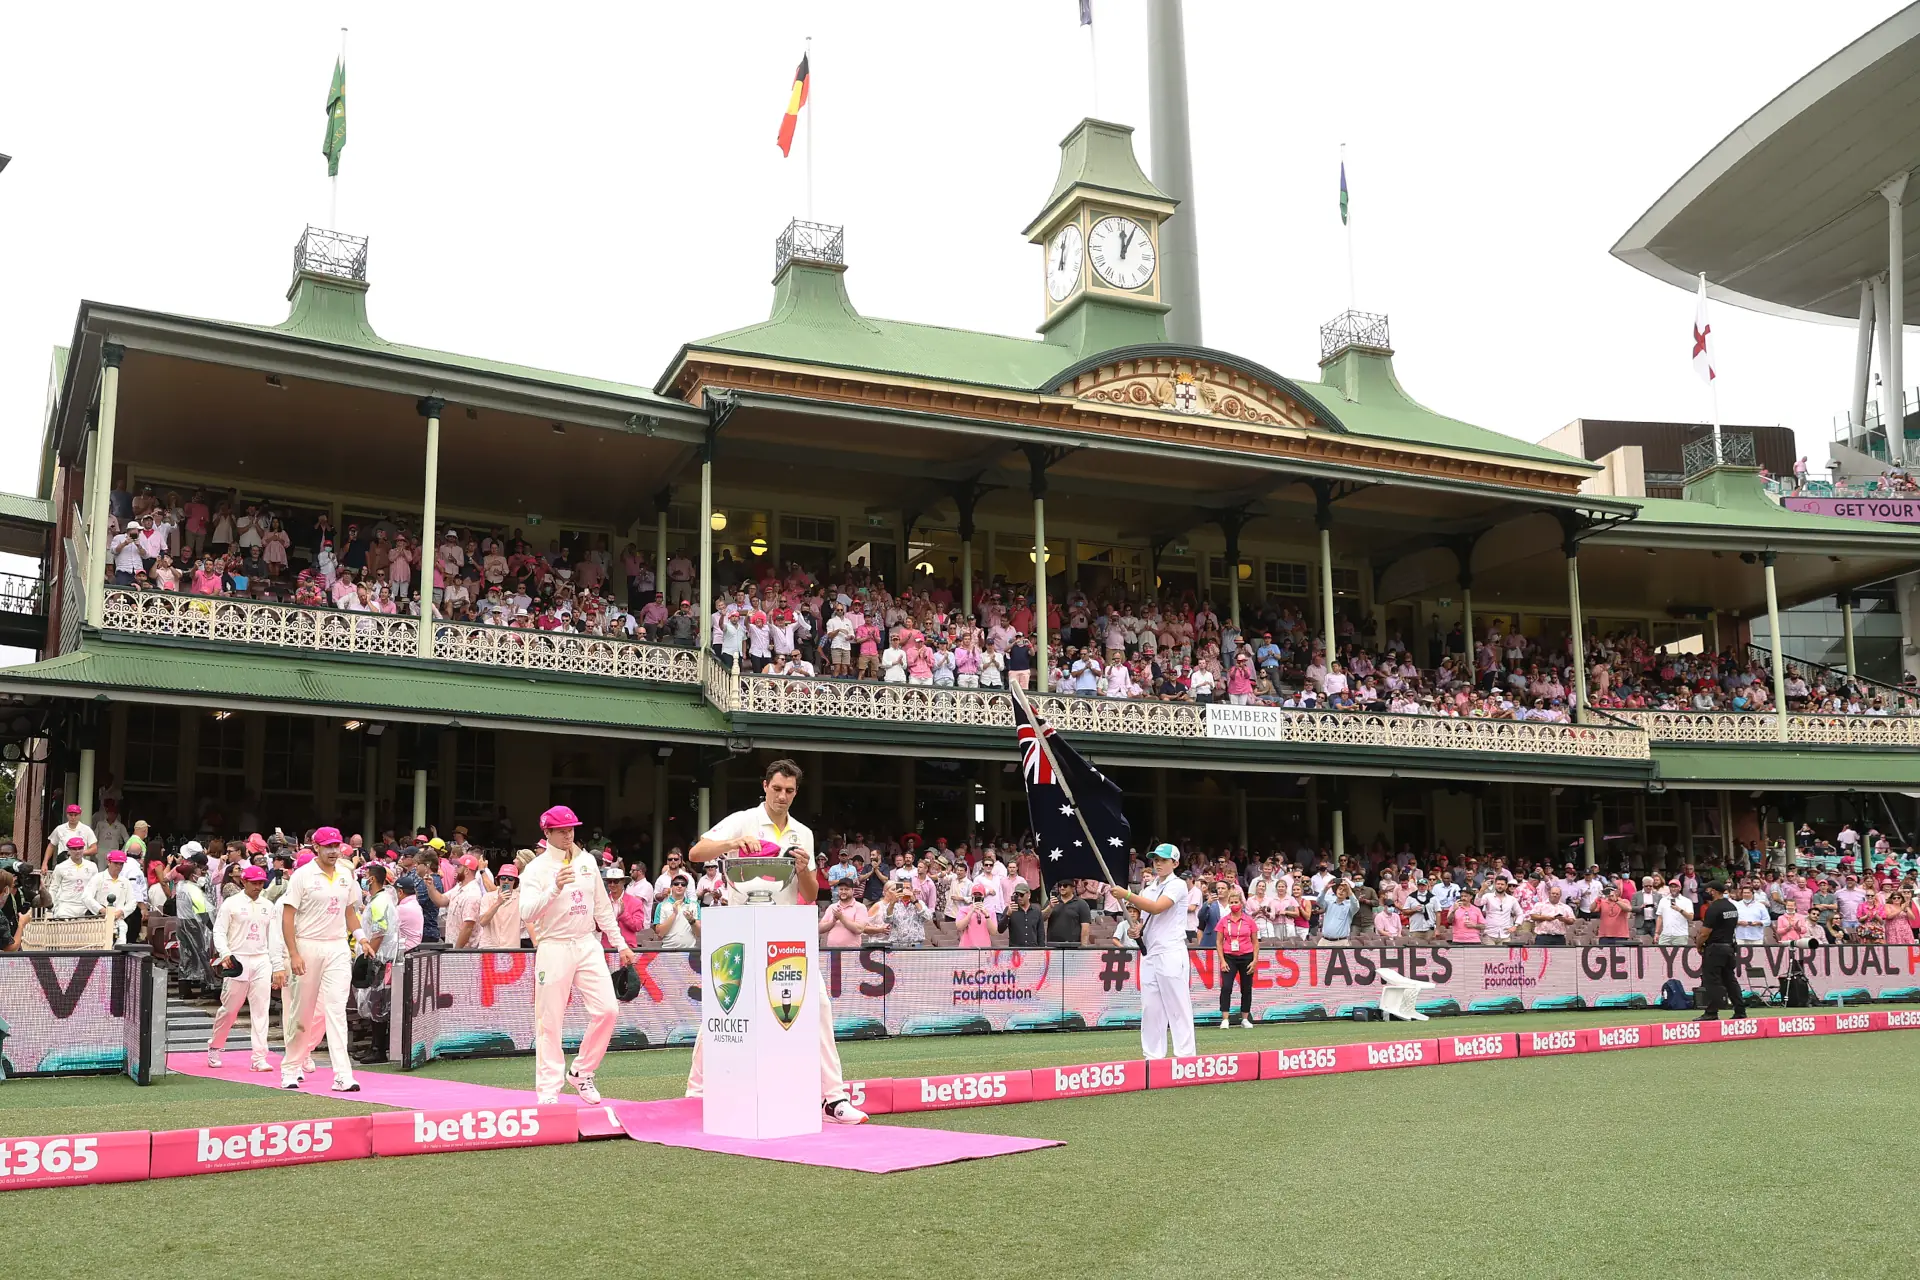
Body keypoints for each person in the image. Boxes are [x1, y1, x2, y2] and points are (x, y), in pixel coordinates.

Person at [686, 758, 866, 1124]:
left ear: (796, 793)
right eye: (777, 789)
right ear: (765, 786)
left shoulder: (802, 833)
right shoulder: (743, 820)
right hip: (740, 928)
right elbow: (695, 853)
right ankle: (697, 1092)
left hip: (785, 931)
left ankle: (832, 1098)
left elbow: (811, 893)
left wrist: (803, 870)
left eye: (790, 791)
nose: (782, 796)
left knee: (817, 1005)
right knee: (724, 1007)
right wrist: (733, 843)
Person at [517, 805, 634, 1106]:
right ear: (547, 832)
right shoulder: (536, 869)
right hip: (553, 945)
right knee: (549, 1020)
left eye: (571, 829)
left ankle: (582, 1071)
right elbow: (526, 912)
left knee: (608, 1010)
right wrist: (554, 888)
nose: (568, 835)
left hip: (587, 942)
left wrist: (620, 944)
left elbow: (602, 908)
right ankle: (548, 1090)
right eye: (561, 830)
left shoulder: (587, 862)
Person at [279, 828, 365, 1091]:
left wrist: (361, 938)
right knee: (302, 1012)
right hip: (308, 945)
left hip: (337, 946)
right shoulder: (302, 876)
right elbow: (287, 916)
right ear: (316, 847)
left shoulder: (346, 875)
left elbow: (349, 912)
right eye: (327, 846)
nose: (333, 851)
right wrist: (294, 953)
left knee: (336, 1010)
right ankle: (291, 1068)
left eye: (336, 846)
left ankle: (343, 1075)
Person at [1112, 843, 1194, 1060]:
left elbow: (1157, 908)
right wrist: (1138, 930)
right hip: (1150, 953)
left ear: (1175, 863)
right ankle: (1152, 1056)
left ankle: (1186, 1056)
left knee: (1177, 1006)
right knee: (1151, 1008)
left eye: (1163, 860)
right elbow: (1148, 919)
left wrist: (1126, 894)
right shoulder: (1148, 889)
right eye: (1156, 860)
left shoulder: (1178, 884)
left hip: (1171, 951)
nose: (1158, 864)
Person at [208, 865, 282, 1071]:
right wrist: (225, 953)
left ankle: (259, 1058)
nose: (258, 887)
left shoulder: (268, 905)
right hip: (237, 959)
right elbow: (219, 931)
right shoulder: (231, 903)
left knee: (261, 1010)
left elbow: (274, 938)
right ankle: (215, 1046)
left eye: (261, 883)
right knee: (230, 1009)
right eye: (254, 883)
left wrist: (277, 966)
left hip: (261, 960)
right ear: (244, 881)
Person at [1694, 884, 1748, 1021]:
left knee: (1712, 980)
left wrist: (1698, 945)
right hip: (1729, 947)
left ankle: (1712, 1011)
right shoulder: (1732, 907)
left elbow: (1705, 932)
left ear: (1713, 891)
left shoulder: (1714, 908)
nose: (1706, 892)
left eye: (1708, 890)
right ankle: (1740, 1010)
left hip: (1715, 948)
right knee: (1730, 980)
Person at [1216, 886, 1257, 1029]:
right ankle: (1225, 1019)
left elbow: (1255, 942)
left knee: (1246, 988)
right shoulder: (1223, 921)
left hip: (1246, 956)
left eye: (1236, 902)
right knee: (1226, 987)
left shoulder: (1249, 921)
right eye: (1231, 902)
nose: (1234, 905)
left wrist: (1254, 960)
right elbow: (1219, 942)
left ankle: (1245, 1018)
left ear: (1241, 903)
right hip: (1229, 956)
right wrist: (1222, 960)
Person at [1043, 878, 1095, 946]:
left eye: (1065, 885)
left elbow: (1085, 927)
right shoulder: (1052, 901)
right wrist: (1050, 907)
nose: (1062, 888)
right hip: (1053, 944)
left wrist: (1083, 946)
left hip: (1074, 945)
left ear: (1072, 888)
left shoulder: (1082, 904)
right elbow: (1042, 918)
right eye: (1060, 885)